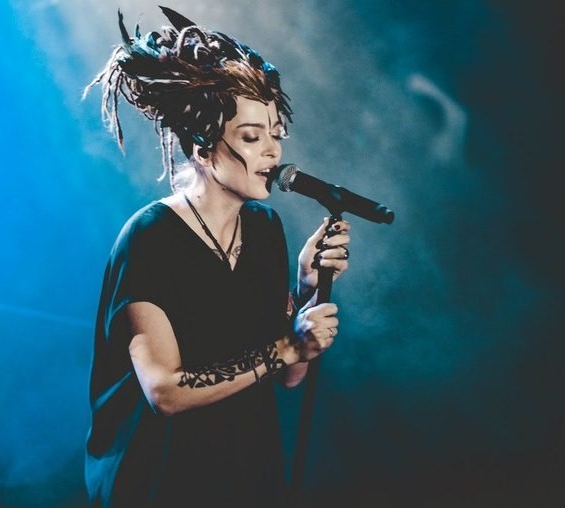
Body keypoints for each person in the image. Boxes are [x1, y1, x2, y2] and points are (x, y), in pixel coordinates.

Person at [83, 7, 351, 507]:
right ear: (203, 147)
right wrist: (287, 348)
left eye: (276, 133)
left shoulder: (265, 229)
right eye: (252, 136)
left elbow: (290, 376)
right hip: (160, 484)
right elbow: (165, 391)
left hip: (243, 478)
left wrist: (307, 289)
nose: (273, 152)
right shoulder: (150, 238)